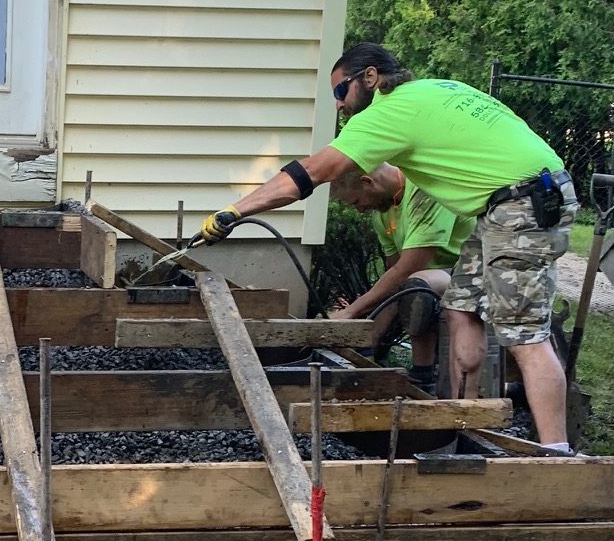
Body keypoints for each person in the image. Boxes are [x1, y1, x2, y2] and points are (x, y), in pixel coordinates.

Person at [199, 43, 580, 448]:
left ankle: (557, 456)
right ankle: (465, 424)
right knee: (460, 306)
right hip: (505, 202)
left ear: (370, 77)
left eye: (340, 92)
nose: (339, 105)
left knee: (524, 335)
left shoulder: (388, 111)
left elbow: (311, 172)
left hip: (522, 202)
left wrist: (235, 211)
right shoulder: (436, 89)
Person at [327, 161, 472, 385]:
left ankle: (423, 374)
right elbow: (393, 276)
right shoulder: (383, 214)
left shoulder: (426, 190)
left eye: (356, 202)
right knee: (404, 288)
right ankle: (373, 357)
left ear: (368, 182)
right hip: (435, 277)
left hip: (475, 272)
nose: (360, 210)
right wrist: (367, 330)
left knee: (416, 286)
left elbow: (408, 269)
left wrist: (350, 311)